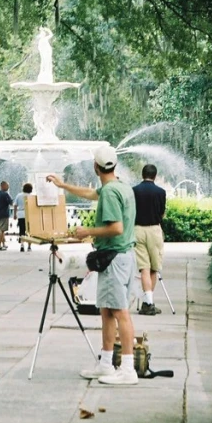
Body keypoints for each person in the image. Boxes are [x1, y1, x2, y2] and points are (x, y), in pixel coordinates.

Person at [47, 145, 138, 385]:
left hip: (114, 257)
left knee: (120, 312)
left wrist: (85, 231)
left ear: (95, 167)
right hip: (123, 256)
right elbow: (90, 194)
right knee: (107, 311)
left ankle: (128, 369)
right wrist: (63, 186)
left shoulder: (110, 193)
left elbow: (116, 227)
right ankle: (106, 364)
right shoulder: (121, 187)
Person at [132, 164, 167, 316]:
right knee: (154, 268)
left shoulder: (134, 191)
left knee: (144, 268)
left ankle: (149, 303)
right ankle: (149, 303)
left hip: (138, 230)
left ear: (142, 174)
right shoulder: (161, 192)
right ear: (155, 176)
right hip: (154, 229)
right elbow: (162, 213)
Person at [0, 181, 13, 251]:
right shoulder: (5, 194)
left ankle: (3, 244)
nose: (8, 187)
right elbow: (11, 203)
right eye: (7, 186)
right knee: (2, 230)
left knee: (0, 230)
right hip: (4, 214)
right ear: (3, 186)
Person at [13, 182, 33, 252]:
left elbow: (15, 205)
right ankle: (29, 246)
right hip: (29, 215)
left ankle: (22, 245)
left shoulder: (19, 195)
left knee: (21, 230)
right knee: (29, 231)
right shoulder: (31, 196)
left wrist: (14, 214)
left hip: (20, 214)